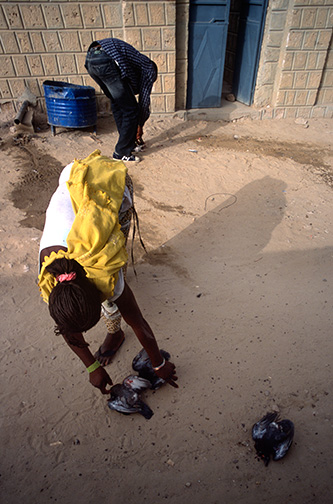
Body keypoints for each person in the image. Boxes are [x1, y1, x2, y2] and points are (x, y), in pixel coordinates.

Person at [38, 149, 177, 395]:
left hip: (104, 181)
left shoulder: (103, 269)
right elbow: (66, 326)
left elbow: (138, 322)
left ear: (97, 288)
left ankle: (115, 333)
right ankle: (115, 331)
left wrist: (159, 363)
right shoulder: (52, 284)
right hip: (71, 182)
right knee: (114, 284)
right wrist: (91, 366)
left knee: (117, 251)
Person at [85, 38, 158, 162]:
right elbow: (144, 102)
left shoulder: (133, 71)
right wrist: (140, 124)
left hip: (91, 59)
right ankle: (122, 152)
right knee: (131, 110)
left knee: (118, 103)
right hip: (106, 58)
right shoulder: (148, 70)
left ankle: (128, 142)